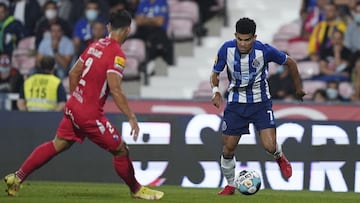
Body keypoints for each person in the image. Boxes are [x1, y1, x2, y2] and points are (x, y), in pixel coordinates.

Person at [4, 9, 164, 200]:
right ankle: (137, 190)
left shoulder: (95, 45)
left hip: (74, 106)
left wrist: (76, 98)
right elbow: (115, 89)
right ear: (128, 30)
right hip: (89, 115)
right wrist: (131, 117)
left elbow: (73, 73)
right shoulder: (117, 54)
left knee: (58, 144)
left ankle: (17, 177)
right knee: (121, 150)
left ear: (108, 27)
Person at [210, 17, 305, 195]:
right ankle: (231, 184)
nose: (243, 44)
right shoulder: (226, 49)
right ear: (235, 36)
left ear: (254, 37)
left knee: (269, 146)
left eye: (247, 40)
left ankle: (279, 157)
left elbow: (290, 62)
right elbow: (215, 74)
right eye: (240, 39)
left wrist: (298, 89)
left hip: (260, 103)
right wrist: (215, 91)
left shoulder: (264, 50)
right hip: (236, 104)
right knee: (228, 148)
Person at [132, 0, 174, 65]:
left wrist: (144, 19)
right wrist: (153, 19)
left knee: (161, 44)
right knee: (130, 40)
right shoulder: (142, 2)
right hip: (142, 30)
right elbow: (138, 21)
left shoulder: (162, 2)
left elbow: (159, 22)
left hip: (158, 31)